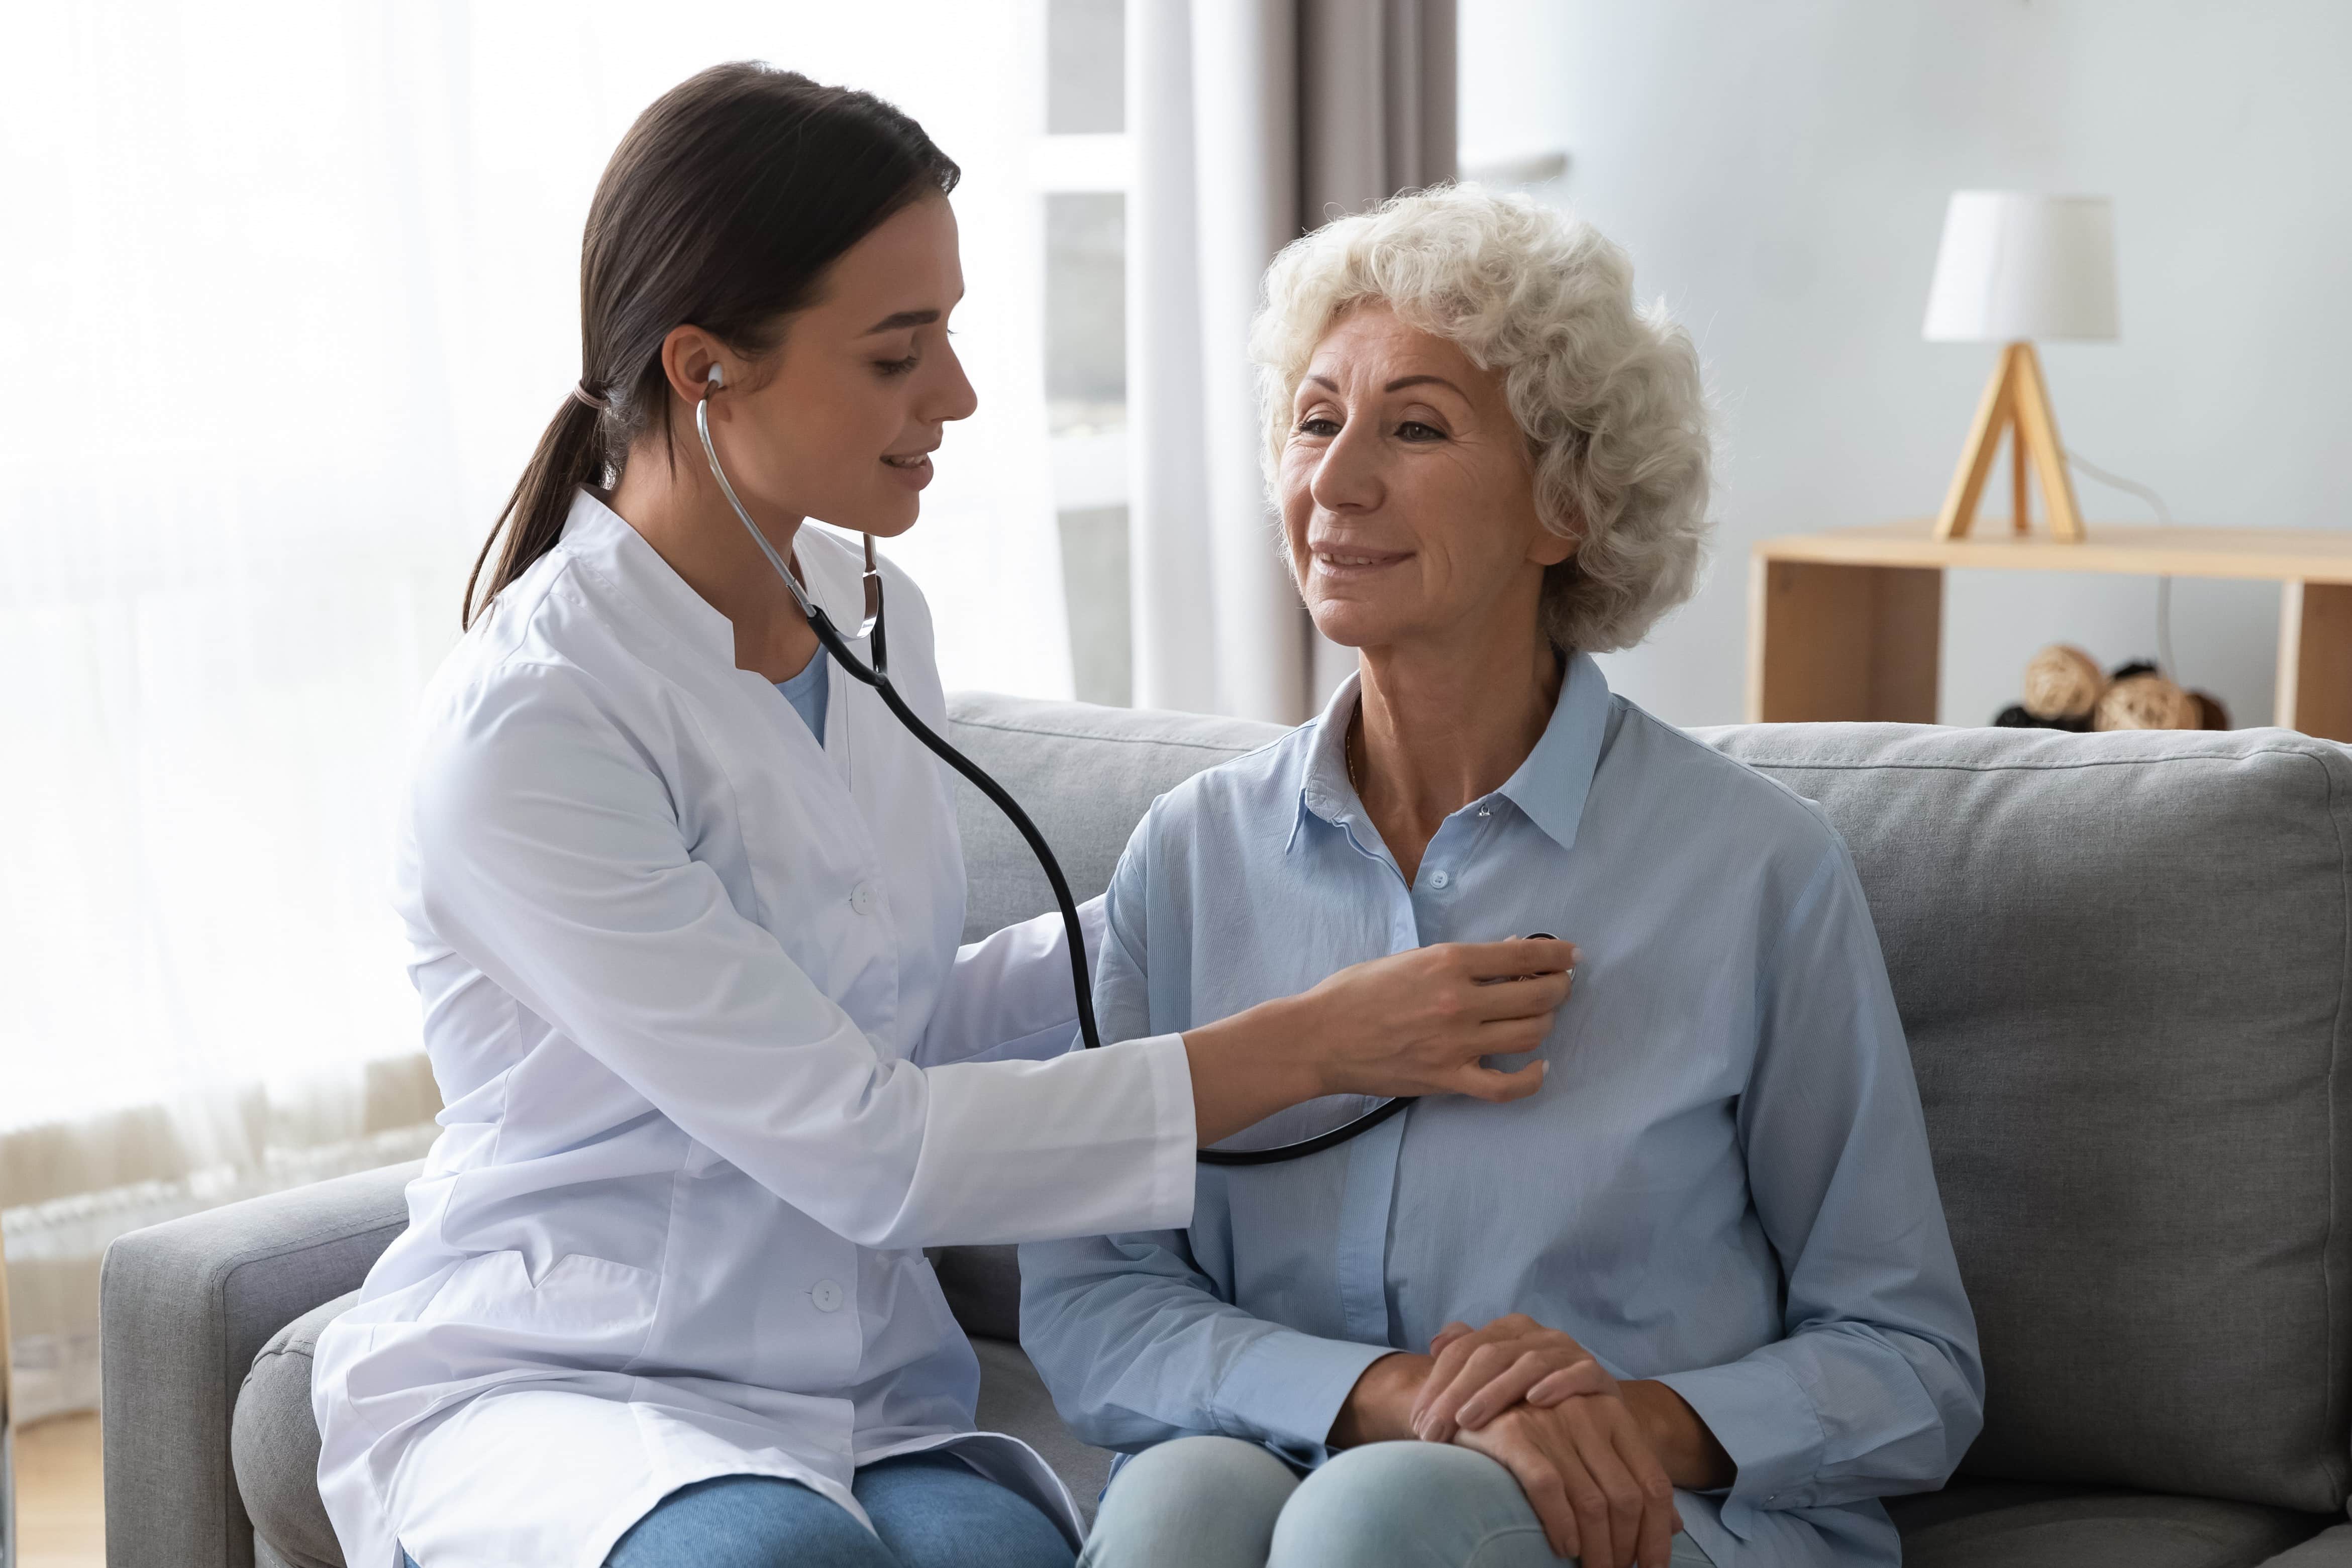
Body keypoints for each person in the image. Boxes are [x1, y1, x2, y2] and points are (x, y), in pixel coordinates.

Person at [309, 69, 1578, 1568]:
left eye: (951, 335)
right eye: (898, 352)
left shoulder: (871, 619)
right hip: (573, 1374)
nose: (958, 395)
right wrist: (1312, 1041)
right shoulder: (533, 727)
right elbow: (871, 1143)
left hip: (848, 1382)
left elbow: (893, 1015)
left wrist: (1209, 895)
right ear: (705, 369)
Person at [1018, 185, 1983, 1568]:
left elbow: (1910, 1357)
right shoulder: (1188, 855)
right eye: (1313, 418)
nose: (1335, 481)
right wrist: (1387, 1394)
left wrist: (1628, 1420)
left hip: (1656, 1523)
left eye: (1413, 426)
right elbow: (1095, 1298)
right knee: (1178, 1503)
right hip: (1304, 1469)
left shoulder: (1754, 870)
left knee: (1376, 1516)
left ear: (1565, 505)